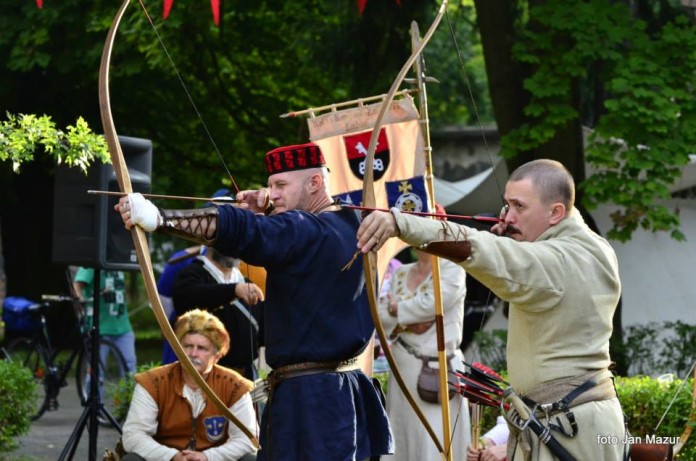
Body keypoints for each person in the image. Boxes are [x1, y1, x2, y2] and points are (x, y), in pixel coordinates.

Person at [114, 142, 393, 461]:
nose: (272, 194)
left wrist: (160, 219)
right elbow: (287, 234)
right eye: (270, 185)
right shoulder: (351, 223)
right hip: (341, 390)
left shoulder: (303, 228)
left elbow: (240, 229)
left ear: (315, 183)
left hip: (313, 399)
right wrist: (270, 211)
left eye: (281, 185)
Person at [356, 159, 625, 460]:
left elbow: (484, 249)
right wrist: (518, 238)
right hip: (568, 419)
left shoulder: (562, 261)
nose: (507, 217)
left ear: (555, 213)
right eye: (507, 205)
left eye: (519, 207)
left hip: (572, 427)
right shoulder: (592, 246)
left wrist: (402, 224)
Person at [121, 308, 258, 461]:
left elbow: (248, 439)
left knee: (251, 459)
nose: (193, 354)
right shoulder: (153, 382)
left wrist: (207, 456)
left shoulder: (234, 386)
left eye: (202, 348)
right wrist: (172, 456)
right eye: (187, 346)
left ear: (217, 355)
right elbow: (133, 435)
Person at [379, 247, 471, 460]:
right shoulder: (401, 271)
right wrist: (413, 319)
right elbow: (381, 315)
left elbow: (433, 305)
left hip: (438, 370)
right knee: (400, 439)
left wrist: (397, 310)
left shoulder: (452, 269)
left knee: (434, 440)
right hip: (402, 368)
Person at [172, 245, 264, 380]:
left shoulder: (246, 283)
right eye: (228, 241)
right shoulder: (191, 275)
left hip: (246, 376)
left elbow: (263, 331)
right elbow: (188, 298)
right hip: (205, 377)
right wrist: (234, 290)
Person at [73, 267, 137, 373]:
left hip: (123, 327)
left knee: (129, 367)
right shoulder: (92, 262)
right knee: (96, 370)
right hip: (99, 327)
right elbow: (77, 285)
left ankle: (128, 385)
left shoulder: (118, 262)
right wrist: (79, 299)